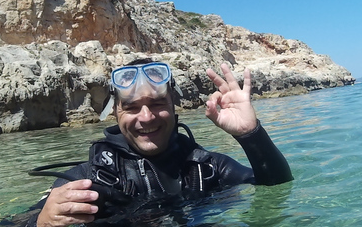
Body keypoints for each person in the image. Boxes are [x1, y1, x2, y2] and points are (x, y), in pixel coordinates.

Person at [25, 58, 293, 226]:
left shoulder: (207, 168)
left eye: (157, 103)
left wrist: (250, 133)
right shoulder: (85, 181)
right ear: (115, 112)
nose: (146, 117)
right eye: (131, 107)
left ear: (175, 105)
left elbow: (277, 187)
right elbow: (10, 224)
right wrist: (42, 222)